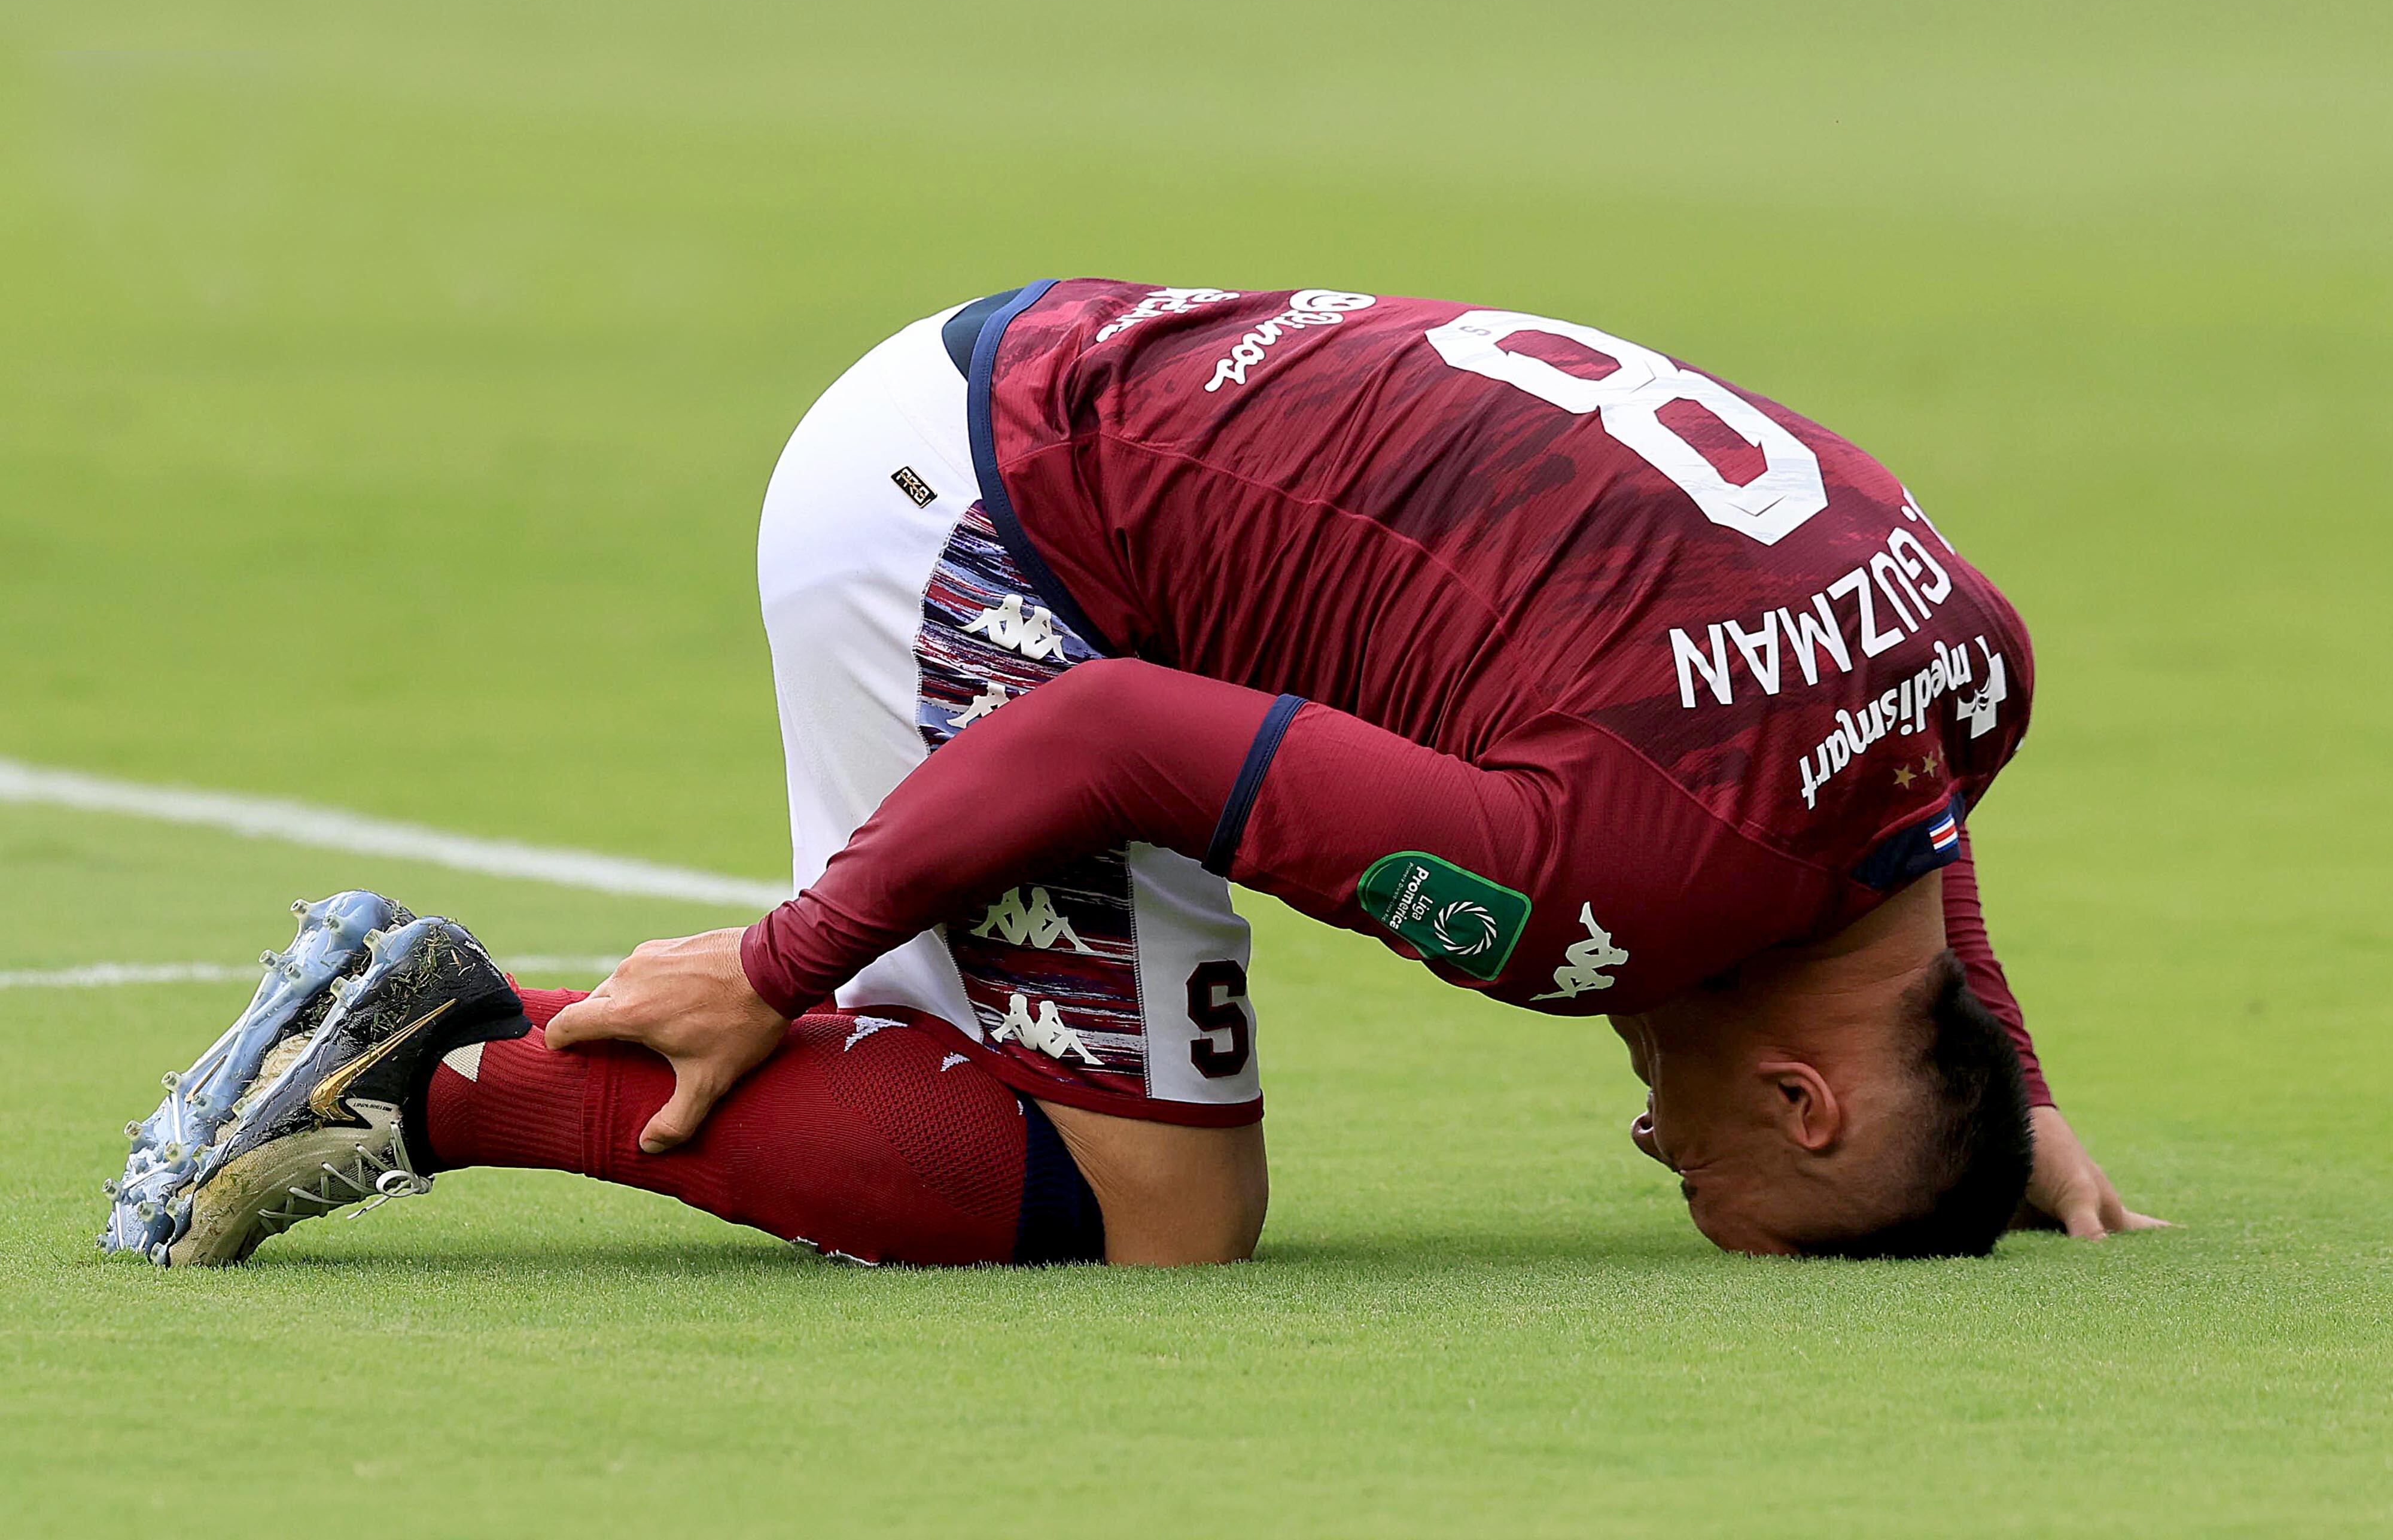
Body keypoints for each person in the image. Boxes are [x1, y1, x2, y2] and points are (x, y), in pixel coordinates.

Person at [105, 280, 2161, 1268]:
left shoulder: (1976, 663)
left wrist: (2017, 1102)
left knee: (1097, 1113)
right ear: (1802, 1101)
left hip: (1091, 373)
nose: (1647, 1123)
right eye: (1693, 1160)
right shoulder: (1594, 900)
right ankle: (448, 1064)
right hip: (976, 515)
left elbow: (1917, 807)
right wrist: (785, 953)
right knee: (1161, 1211)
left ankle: (448, 1053)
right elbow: (1097, 737)